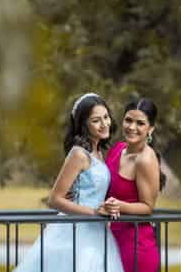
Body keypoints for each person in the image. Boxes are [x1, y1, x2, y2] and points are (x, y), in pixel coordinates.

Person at [14, 93, 124, 272]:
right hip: (76, 232)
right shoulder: (79, 154)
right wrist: (94, 211)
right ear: (83, 124)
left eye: (106, 117)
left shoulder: (99, 153)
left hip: (97, 231)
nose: (104, 124)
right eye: (96, 120)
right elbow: (55, 199)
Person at [102, 98, 166, 272]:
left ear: (150, 129)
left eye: (140, 123)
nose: (132, 127)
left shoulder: (146, 159)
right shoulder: (117, 149)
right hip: (113, 241)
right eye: (128, 120)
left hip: (136, 249)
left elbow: (147, 207)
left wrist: (117, 206)